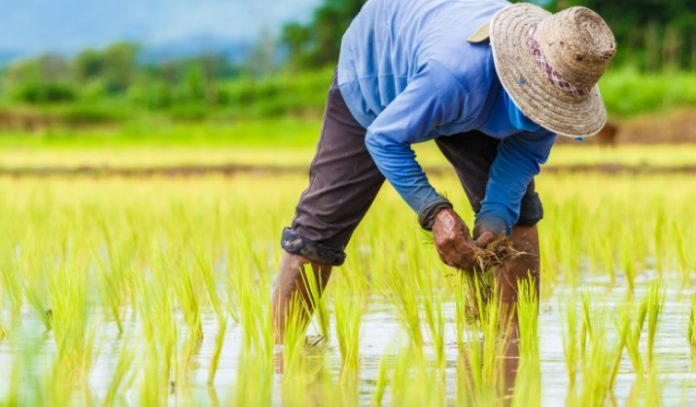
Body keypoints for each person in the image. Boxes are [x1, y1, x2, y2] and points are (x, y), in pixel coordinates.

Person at [272, 0, 616, 343]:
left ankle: (512, 350)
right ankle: (280, 351)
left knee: (517, 221)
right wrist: (435, 211)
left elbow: (522, 156)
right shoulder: (454, 74)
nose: (545, 113)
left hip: (468, 90)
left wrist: (496, 216)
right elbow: (383, 139)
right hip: (379, 69)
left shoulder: (560, 83)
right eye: (542, 101)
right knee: (323, 222)